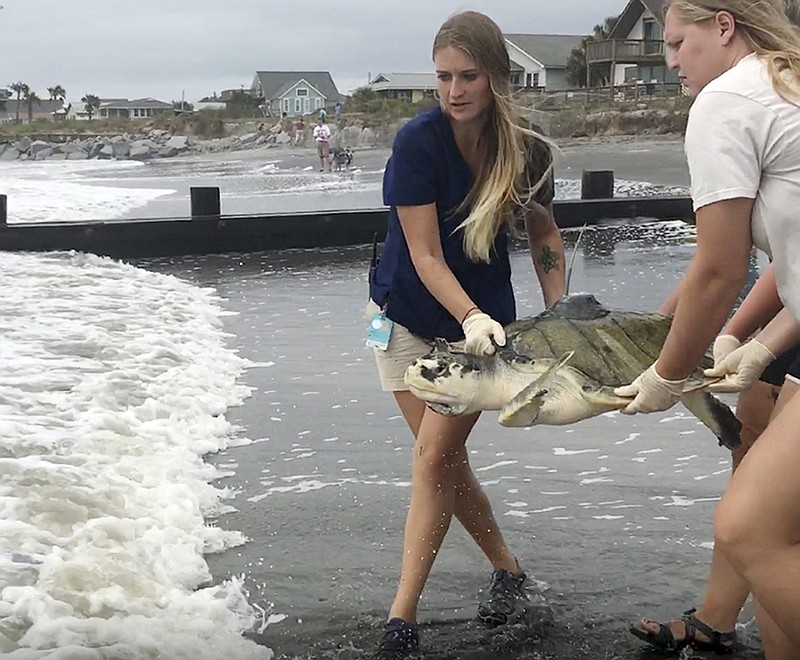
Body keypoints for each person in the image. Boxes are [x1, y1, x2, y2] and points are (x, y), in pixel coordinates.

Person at [366, 11, 566, 659]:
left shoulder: (526, 145)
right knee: (444, 461)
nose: (454, 90)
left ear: (498, 77)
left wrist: (558, 312)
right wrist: (468, 315)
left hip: (481, 336)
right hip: (402, 316)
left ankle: (403, 617)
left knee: (431, 460)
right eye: (443, 77)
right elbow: (425, 256)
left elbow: (544, 235)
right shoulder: (417, 143)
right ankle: (507, 569)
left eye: (468, 76)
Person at [611, 1, 800, 654]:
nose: (668, 61)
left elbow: (719, 268)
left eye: (675, 42)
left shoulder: (728, 100)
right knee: (779, 536)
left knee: (746, 530)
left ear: (723, 26)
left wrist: (667, 373)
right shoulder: (786, 84)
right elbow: (792, 258)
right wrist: (752, 344)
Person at [630, 265, 800, 656]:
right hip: (788, 301)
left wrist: (669, 365)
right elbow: (787, 258)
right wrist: (740, 336)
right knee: (752, 441)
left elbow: (719, 266)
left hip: (788, 303)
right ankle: (717, 619)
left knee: (758, 525)